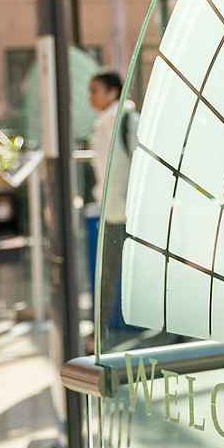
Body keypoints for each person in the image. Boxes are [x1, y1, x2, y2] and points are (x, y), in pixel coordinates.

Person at [86, 69, 139, 342]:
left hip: (133, 215)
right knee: (105, 275)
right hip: (111, 212)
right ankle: (99, 334)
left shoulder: (129, 122)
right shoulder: (102, 124)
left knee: (137, 274)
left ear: (112, 92)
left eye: (95, 91)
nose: (90, 98)